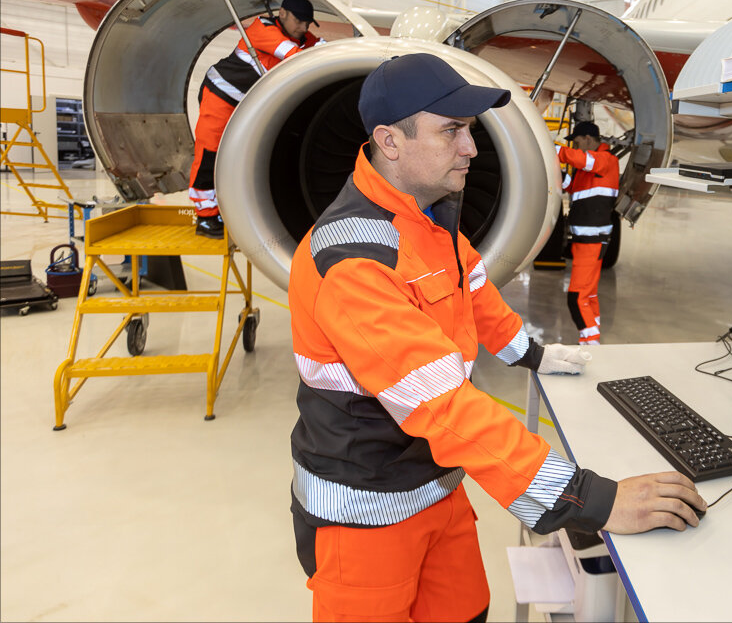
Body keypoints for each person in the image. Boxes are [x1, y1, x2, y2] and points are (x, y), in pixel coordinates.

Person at [287, 53, 705, 623]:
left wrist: (535, 354)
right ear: (390, 140)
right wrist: (589, 501)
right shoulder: (352, 258)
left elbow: (472, 292)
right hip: (366, 511)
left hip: (436, 481)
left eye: (471, 130)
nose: (472, 149)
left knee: (468, 611)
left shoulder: (426, 218)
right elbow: (443, 406)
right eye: (452, 131)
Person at [188, 0, 323, 238]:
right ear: (282, 14)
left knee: (240, 157)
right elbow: (296, 57)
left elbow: (324, 49)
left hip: (245, 105)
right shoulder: (262, 30)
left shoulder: (302, 38)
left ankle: (226, 209)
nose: (303, 28)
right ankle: (205, 218)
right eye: (299, 21)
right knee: (210, 152)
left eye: (307, 24)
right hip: (221, 96)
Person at [556, 120, 619, 344]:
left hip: (591, 242)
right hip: (587, 241)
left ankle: (590, 343)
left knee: (576, 297)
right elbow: (573, 187)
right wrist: (559, 174)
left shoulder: (605, 160)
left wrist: (553, 150)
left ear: (589, 139)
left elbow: (585, 160)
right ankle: (594, 337)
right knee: (589, 294)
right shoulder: (590, 168)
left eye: (577, 142)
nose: (576, 147)